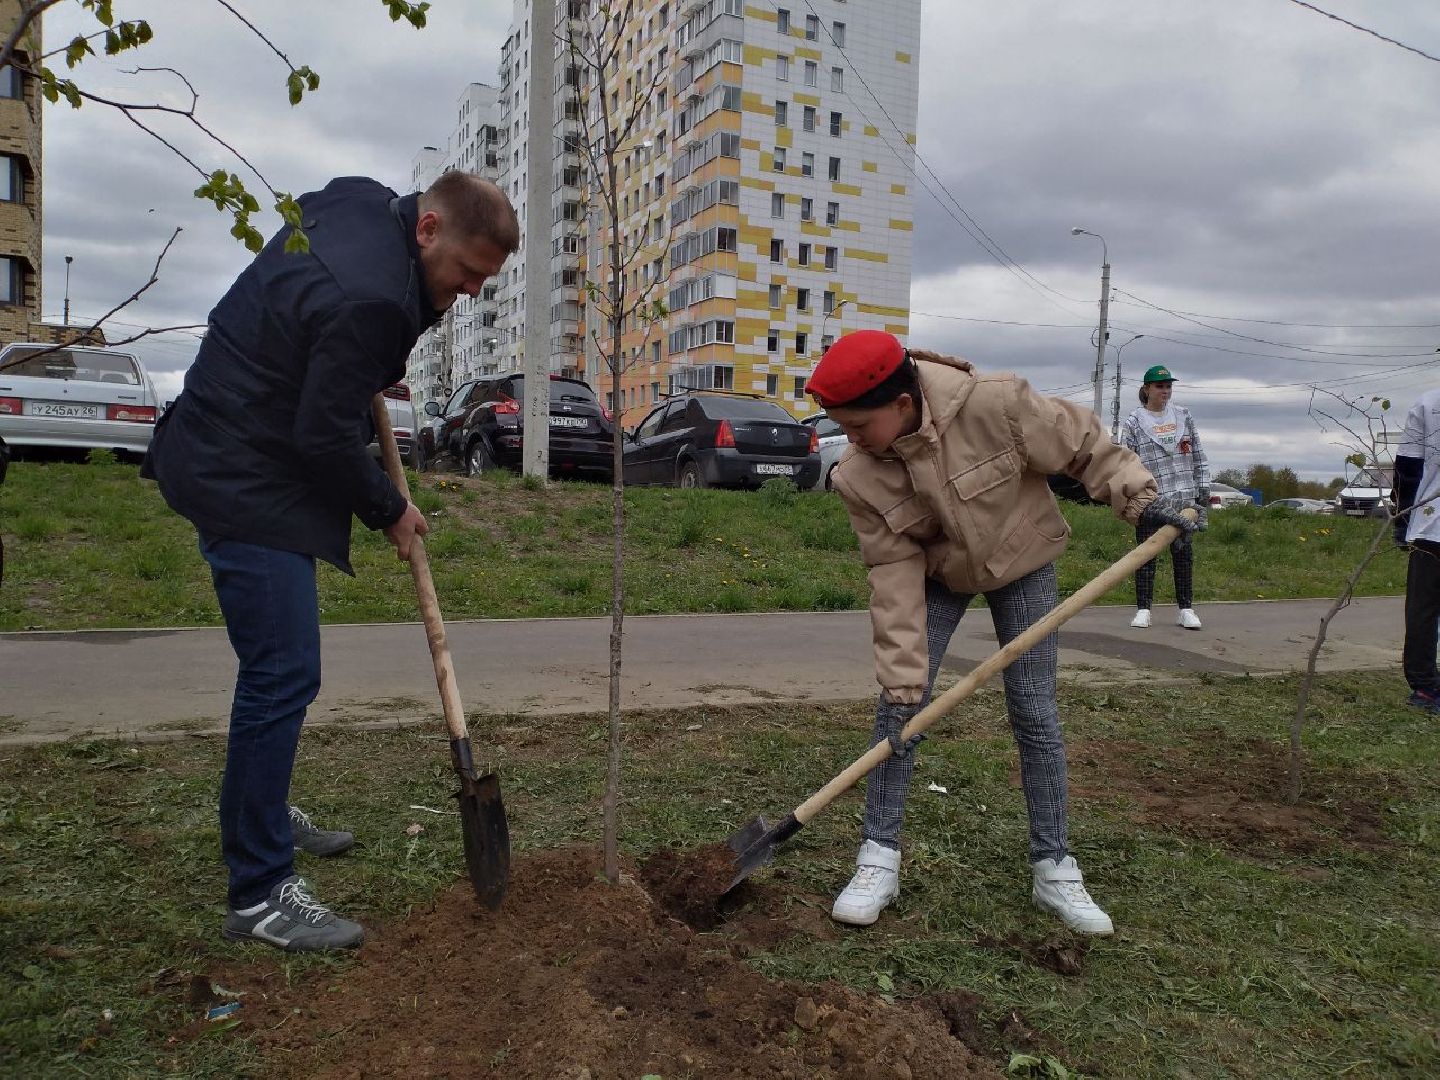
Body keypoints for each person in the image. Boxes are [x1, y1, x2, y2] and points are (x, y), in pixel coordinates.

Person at [142, 171, 519, 952]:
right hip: (241, 471)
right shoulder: (375, 300)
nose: (474, 292)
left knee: (278, 668)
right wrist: (389, 507)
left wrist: (358, 361)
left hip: (238, 435)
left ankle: (264, 806)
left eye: (487, 279)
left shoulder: (361, 201)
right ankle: (258, 889)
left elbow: (322, 342)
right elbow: (321, 436)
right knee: (283, 672)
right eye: (469, 272)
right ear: (427, 230)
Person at [806, 331, 1196, 934]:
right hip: (939, 575)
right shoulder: (859, 476)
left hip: (1024, 560)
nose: (849, 441)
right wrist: (906, 676)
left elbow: (1084, 444)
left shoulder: (997, 404)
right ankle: (877, 857)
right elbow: (893, 573)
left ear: (903, 403)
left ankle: (1054, 867)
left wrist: (1141, 504)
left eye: (858, 425)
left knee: (1034, 709)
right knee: (899, 708)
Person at [1120, 365, 1210, 630]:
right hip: (1152, 499)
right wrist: (1133, 495)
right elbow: (1127, 460)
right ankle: (1143, 609)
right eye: (1160, 386)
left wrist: (1202, 490)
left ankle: (1185, 609)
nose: (1165, 391)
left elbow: (1198, 455)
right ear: (1147, 389)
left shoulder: (1183, 416)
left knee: (1183, 555)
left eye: (1168, 386)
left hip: (1183, 497)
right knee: (1146, 554)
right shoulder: (1135, 421)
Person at [1393, 386, 1440, 713]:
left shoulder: (1429, 402)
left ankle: (1424, 687)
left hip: (1430, 523)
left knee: (1423, 608)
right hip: (1430, 525)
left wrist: (1402, 518)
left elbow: (1408, 468)